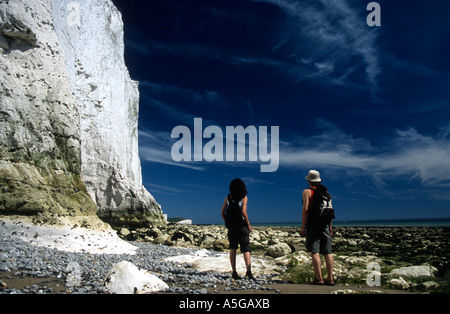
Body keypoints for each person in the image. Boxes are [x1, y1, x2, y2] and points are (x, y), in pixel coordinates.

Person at [300, 170, 335, 286]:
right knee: (327, 252)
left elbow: (305, 210)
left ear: (309, 181)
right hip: (325, 224)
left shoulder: (307, 192)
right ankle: (330, 279)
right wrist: (330, 226)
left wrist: (303, 227)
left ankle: (319, 279)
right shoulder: (326, 192)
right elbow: (329, 210)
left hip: (313, 224)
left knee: (315, 252)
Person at [221, 178, 254, 280]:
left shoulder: (228, 197)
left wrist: (228, 221)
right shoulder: (244, 197)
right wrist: (248, 225)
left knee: (233, 249)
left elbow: (222, 212)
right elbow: (244, 211)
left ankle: (234, 273)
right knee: (246, 249)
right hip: (242, 226)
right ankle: (248, 272)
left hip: (232, 227)